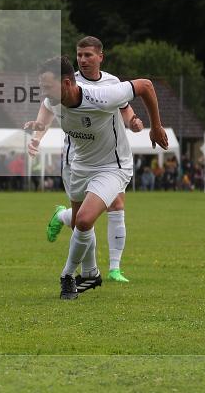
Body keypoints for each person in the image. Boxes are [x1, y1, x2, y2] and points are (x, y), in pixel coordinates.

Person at [25, 56, 167, 300]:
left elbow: (146, 85)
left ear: (67, 83)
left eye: (47, 86)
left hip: (112, 167)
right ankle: (90, 272)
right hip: (79, 166)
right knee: (82, 222)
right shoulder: (53, 100)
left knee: (83, 220)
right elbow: (46, 112)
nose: (44, 92)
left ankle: (67, 275)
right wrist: (37, 129)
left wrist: (155, 126)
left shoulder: (102, 96)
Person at [44, 36, 145, 283]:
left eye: (88, 55)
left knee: (113, 207)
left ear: (101, 56)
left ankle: (113, 268)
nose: (83, 59)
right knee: (81, 220)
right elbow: (47, 105)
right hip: (76, 159)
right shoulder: (68, 83)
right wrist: (38, 131)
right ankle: (85, 262)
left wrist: (133, 121)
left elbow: (125, 104)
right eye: (79, 55)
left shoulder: (111, 84)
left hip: (110, 161)